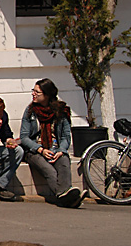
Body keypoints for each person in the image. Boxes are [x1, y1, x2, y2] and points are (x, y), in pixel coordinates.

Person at [19, 78, 88, 208]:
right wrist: (40, 149)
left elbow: (66, 136)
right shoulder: (30, 111)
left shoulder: (61, 111)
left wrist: (61, 150)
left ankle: (64, 198)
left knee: (64, 162)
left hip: (55, 149)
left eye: (37, 92)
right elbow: (24, 137)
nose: (33, 94)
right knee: (49, 170)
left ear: (47, 95)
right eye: (33, 91)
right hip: (35, 151)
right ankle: (67, 196)